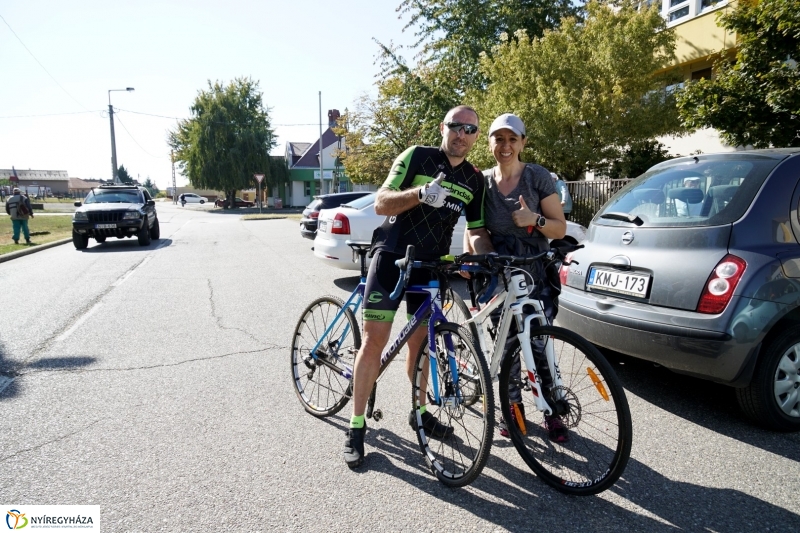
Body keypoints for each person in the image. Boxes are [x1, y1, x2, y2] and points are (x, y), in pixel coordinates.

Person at [343, 105, 494, 468]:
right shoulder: (418, 157)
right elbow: (381, 202)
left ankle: (420, 411)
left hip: (430, 267)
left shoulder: (475, 180)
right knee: (374, 342)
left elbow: (477, 230)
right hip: (393, 257)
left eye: (471, 129)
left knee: (421, 348)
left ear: (476, 136)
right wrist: (420, 193)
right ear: (443, 127)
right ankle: (357, 425)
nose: (462, 134)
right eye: (457, 126)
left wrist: (486, 258)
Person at [463, 113, 569, 442]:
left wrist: (533, 219)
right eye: (499, 139)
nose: (505, 145)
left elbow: (559, 227)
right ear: (490, 143)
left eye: (512, 139)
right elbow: (475, 227)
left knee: (539, 343)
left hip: (535, 270)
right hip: (500, 271)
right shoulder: (482, 182)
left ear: (523, 142)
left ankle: (552, 409)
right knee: (506, 345)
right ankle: (511, 412)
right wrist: (478, 256)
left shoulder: (537, 176)